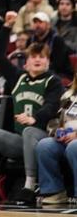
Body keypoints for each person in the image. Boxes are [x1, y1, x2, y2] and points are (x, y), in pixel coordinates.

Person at [0, 11, 63, 206]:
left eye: (42, 57)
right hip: (21, 140)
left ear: (48, 61)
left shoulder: (53, 81)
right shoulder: (18, 77)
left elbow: (52, 105)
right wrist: (6, 27)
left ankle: (30, 186)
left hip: (44, 137)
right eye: (33, 57)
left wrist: (36, 118)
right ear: (26, 62)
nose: (38, 60)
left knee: (29, 131)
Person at [36, 69, 77, 206]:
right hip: (66, 139)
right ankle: (54, 191)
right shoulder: (68, 96)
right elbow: (55, 120)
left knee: (74, 146)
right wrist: (57, 132)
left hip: (74, 142)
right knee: (45, 145)